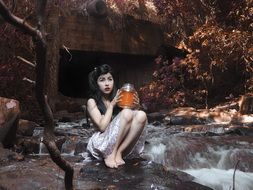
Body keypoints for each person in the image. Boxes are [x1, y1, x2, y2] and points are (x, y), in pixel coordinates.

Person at [86, 64, 147, 168]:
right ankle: (111, 154)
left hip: (120, 143)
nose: (107, 84)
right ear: (96, 84)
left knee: (141, 115)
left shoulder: (120, 97)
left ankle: (119, 152)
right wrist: (111, 106)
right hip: (101, 144)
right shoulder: (92, 102)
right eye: (102, 80)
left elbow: (131, 121)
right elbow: (102, 127)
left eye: (110, 79)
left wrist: (136, 106)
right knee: (126, 112)